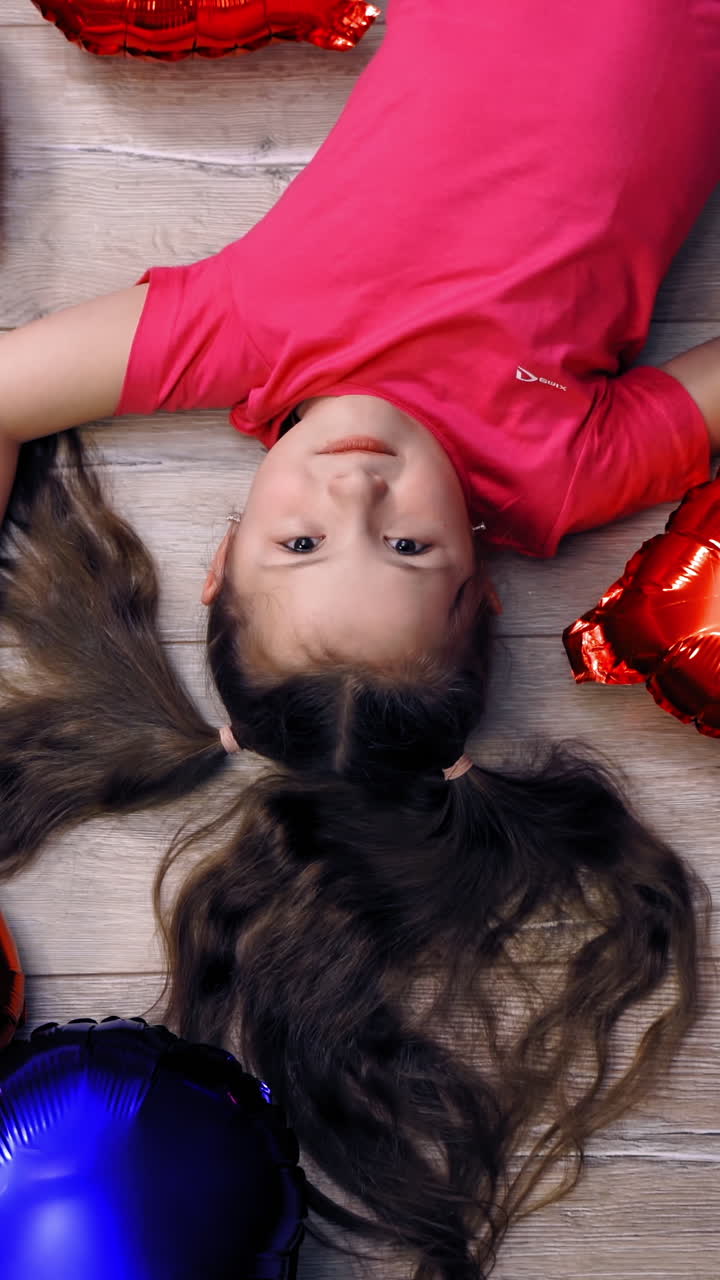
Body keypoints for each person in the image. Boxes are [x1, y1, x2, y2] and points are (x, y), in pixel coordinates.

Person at [1, 3, 719, 1276]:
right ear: (484, 585)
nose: (353, 492)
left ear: (219, 554)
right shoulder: (562, 469)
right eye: (406, 549)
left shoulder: (240, 336)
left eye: (297, 547)